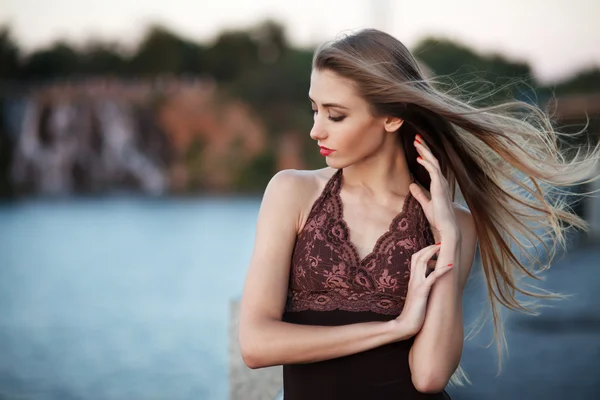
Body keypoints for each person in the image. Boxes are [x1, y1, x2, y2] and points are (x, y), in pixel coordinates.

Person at [237, 29, 599, 399]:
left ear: (391, 118)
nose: (316, 130)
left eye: (336, 115)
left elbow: (429, 375)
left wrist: (449, 238)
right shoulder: (292, 193)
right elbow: (255, 344)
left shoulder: (452, 224)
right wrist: (396, 327)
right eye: (315, 109)